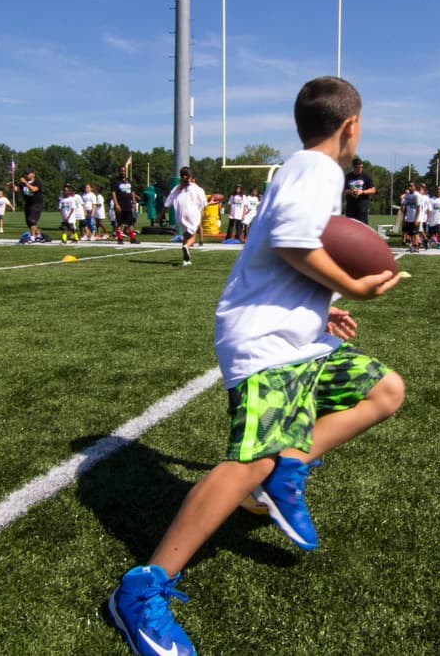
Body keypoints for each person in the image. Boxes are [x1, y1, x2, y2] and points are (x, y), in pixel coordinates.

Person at [107, 76, 404, 656]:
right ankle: (142, 591)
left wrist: (324, 310)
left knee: (384, 391)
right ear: (352, 127)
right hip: (264, 343)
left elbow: (282, 256)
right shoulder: (320, 170)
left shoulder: (302, 169)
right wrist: (355, 289)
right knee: (251, 458)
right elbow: (295, 243)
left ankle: (285, 471)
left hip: (297, 339)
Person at [164, 167, 208, 265]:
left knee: (185, 234)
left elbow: (167, 203)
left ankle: (186, 260)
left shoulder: (177, 188)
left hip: (179, 215)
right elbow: (204, 202)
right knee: (192, 237)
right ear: (191, 176)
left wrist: (160, 215)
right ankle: (186, 246)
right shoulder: (196, 188)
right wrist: (202, 212)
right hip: (192, 214)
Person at [111, 165, 140, 244]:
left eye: (124, 171)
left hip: (128, 204)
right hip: (120, 204)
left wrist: (133, 201)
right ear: (119, 172)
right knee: (119, 223)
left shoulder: (129, 181)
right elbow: (113, 193)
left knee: (130, 223)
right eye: (121, 171)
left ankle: (132, 238)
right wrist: (116, 204)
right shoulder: (115, 181)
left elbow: (132, 192)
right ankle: (119, 238)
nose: (123, 173)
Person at [343, 156, 377, 224]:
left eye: (361, 167)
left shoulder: (366, 176)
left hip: (362, 208)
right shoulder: (348, 177)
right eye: (358, 167)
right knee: (350, 227)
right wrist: (350, 192)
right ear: (353, 167)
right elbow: (343, 191)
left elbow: (373, 190)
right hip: (350, 208)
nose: (360, 169)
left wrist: (362, 192)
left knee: (362, 228)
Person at [13, 170, 43, 241]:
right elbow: (17, 189)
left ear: (33, 174)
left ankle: (32, 237)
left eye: (28, 173)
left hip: (36, 204)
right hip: (28, 204)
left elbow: (34, 189)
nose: (27, 175)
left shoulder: (37, 182)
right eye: (26, 174)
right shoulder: (23, 183)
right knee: (29, 223)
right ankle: (38, 235)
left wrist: (25, 183)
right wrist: (12, 186)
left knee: (31, 220)